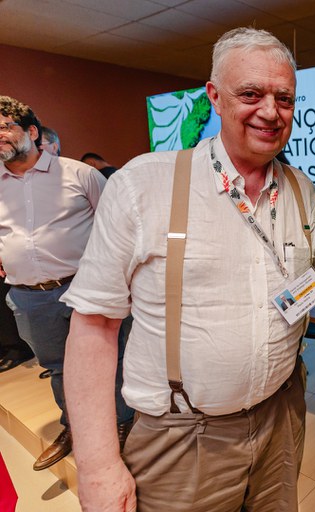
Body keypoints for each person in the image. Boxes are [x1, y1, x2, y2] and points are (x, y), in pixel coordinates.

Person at [62, 27, 315, 512]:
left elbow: (313, 279)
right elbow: (94, 326)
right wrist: (98, 465)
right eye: (250, 94)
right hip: (183, 436)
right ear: (215, 97)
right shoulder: (144, 184)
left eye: (284, 98)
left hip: (282, 419)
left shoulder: (301, 189)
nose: (270, 112)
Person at [0, 96, 134, 471]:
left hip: (85, 290)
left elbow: (117, 230)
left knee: (111, 361)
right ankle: (74, 426)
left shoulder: (80, 174)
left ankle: (122, 423)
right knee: (59, 367)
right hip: (30, 298)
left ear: (32, 132)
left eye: (5, 126)